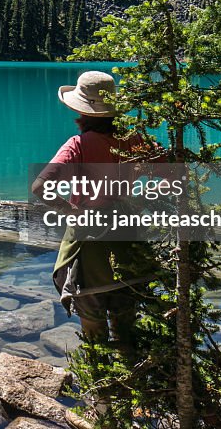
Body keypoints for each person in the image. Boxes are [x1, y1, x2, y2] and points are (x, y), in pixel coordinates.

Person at [31, 70, 156, 353]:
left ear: (81, 111)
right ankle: (131, 390)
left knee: (93, 330)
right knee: (126, 329)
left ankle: (101, 392)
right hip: (129, 244)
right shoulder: (135, 140)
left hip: (90, 252)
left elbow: (40, 186)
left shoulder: (78, 145)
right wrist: (142, 202)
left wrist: (70, 210)